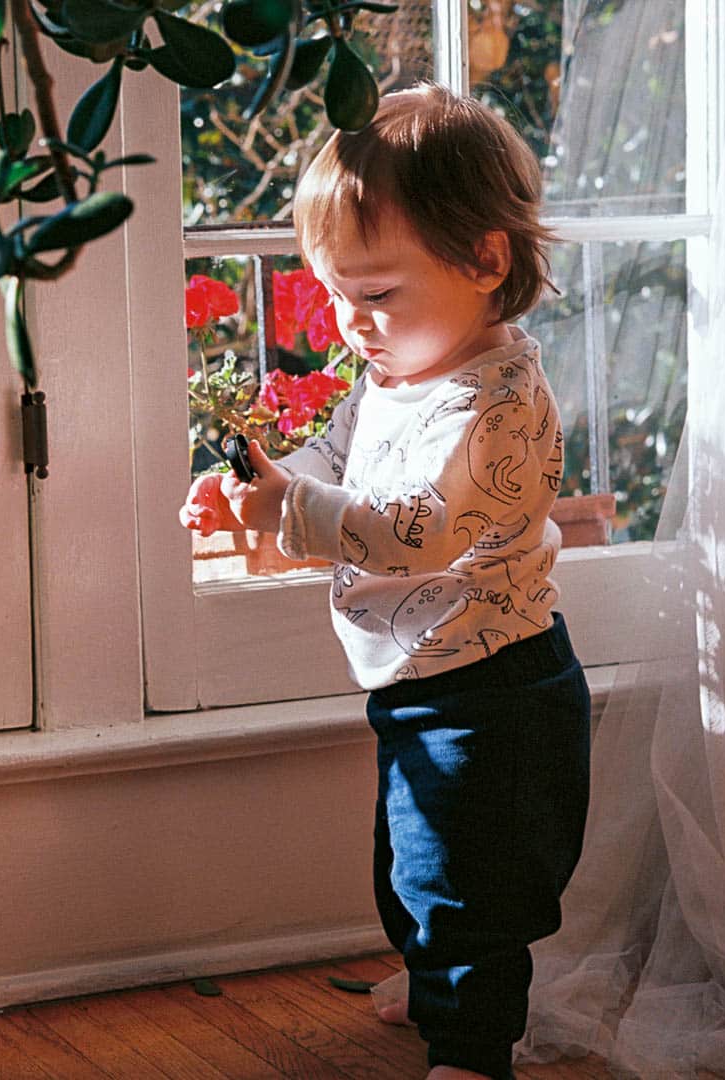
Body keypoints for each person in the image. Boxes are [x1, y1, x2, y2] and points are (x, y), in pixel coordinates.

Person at [179, 84, 591, 1080]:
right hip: (424, 680)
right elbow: (335, 454)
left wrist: (290, 512)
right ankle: (430, 971)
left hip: (494, 693)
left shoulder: (487, 402)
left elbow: (414, 530)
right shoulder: (403, 375)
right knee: (410, 862)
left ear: (485, 260)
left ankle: (470, 1042)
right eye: (333, 292)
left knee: (467, 884)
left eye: (375, 292)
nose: (350, 321)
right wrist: (264, 490)